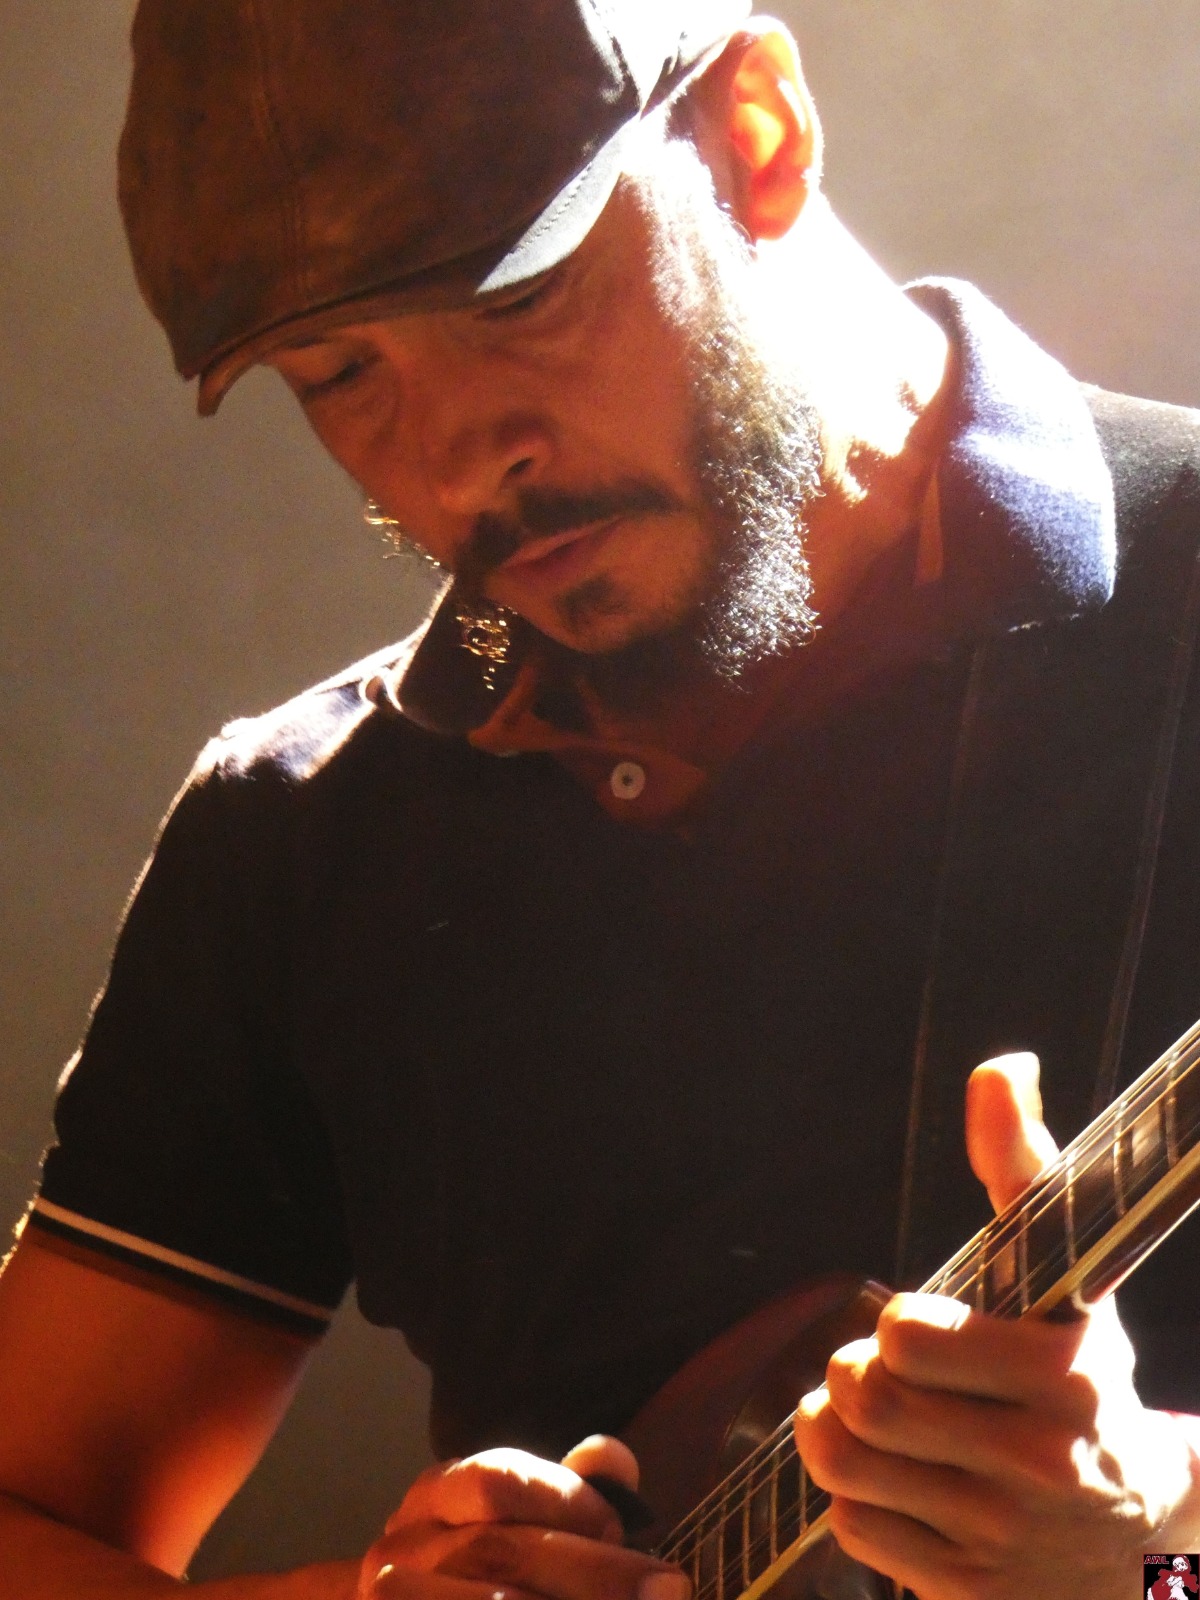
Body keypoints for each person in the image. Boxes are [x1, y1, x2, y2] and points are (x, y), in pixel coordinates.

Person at [1, 3, 1199, 1598]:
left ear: (757, 136)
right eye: (341, 374)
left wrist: (1165, 1514)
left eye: (515, 297)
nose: (454, 461)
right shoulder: (301, 833)